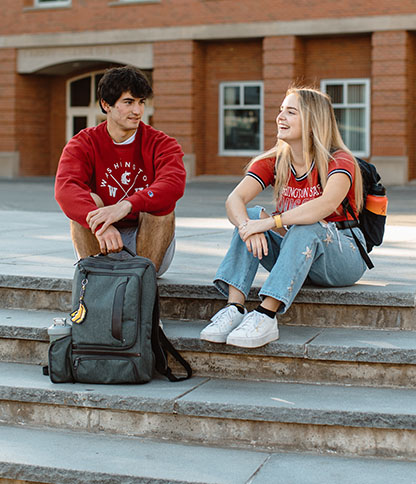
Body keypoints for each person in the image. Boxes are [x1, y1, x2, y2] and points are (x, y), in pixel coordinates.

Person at [200, 87, 367, 348]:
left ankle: (266, 315)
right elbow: (234, 200)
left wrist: (270, 223)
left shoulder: (339, 159)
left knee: (305, 224)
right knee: (251, 215)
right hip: (296, 253)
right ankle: (235, 308)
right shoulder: (274, 160)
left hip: (342, 255)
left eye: (291, 112)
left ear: (313, 120)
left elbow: (326, 204)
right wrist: (249, 227)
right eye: (280, 111)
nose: (280, 117)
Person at [55, 65, 186, 276]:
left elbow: (173, 185)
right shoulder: (83, 143)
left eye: (141, 102)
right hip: (100, 238)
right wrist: (100, 224)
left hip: (148, 240)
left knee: (161, 207)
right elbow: (65, 189)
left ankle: (142, 281)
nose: (138, 111)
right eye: (128, 102)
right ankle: (94, 277)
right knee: (89, 202)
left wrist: (127, 205)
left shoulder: (162, 143)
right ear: (106, 104)